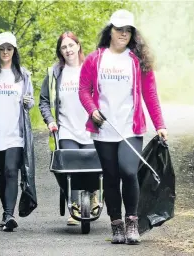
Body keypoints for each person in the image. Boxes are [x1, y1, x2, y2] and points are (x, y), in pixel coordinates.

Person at [79, 9, 168, 245]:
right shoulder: (94, 59)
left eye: (128, 30)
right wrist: (92, 110)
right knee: (110, 175)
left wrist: (160, 124)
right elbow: (83, 90)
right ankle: (116, 224)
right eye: (119, 29)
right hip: (104, 129)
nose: (124, 34)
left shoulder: (137, 61)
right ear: (110, 30)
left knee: (128, 171)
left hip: (130, 127)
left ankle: (132, 222)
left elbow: (150, 94)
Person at [39, 31, 99, 226]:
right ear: (60, 51)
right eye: (63, 47)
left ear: (78, 46)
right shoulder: (55, 73)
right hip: (65, 129)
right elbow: (44, 101)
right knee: (68, 167)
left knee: (93, 167)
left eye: (70, 46)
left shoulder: (90, 69)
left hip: (90, 129)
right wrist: (50, 120)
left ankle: (92, 196)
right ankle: (74, 205)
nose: (68, 50)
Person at [0, 32, 34, 232]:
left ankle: (9, 214)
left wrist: (28, 102)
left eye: (9, 49)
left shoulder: (23, 74)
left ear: (14, 51)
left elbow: (29, 102)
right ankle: (6, 211)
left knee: (11, 170)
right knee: (1, 173)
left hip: (15, 132)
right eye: (2, 49)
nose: (6, 52)